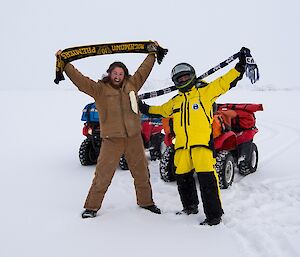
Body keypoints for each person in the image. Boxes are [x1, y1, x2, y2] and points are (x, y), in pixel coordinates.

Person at [138, 48, 248, 225]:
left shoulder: (205, 93)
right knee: (183, 179)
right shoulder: (175, 101)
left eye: (185, 77)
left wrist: (240, 66)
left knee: (207, 181)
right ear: (175, 81)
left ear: (192, 76)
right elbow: (159, 111)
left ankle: (214, 216)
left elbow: (224, 82)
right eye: (179, 79)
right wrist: (143, 107)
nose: (183, 80)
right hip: (181, 148)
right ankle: (190, 207)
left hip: (202, 146)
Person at [55, 42, 162, 219]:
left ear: (124, 75)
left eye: (121, 73)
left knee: (142, 172)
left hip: (134, 138)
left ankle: (146, 202)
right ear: (110, 74)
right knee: (103, 175)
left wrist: (152, 54)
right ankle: (91, 207)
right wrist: (65, 64)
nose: (118, 76)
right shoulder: (99, 90)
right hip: (112, 140)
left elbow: (144, 70)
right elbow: (81, 81)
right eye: (115, 73)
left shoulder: (133, 84)